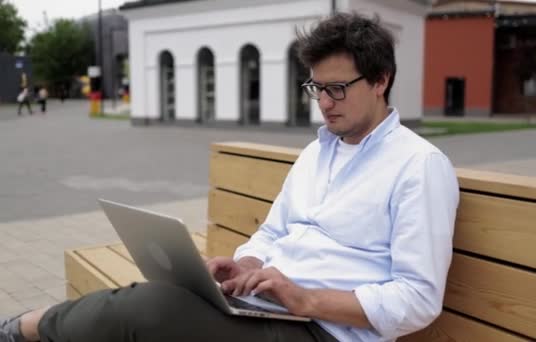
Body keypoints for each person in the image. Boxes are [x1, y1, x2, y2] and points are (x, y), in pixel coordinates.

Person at [0, 13, 459, 342]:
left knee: (150, 309)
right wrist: (249, 264)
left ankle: (21, 329)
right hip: (268, 308)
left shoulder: (418, 166)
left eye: (337, 88)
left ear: (380, 80)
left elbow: (418, 299)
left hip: (324, 329)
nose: (324, 101)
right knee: (164, 293)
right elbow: (274, 233)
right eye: (316, 88)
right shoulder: (317, 155)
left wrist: (306, 299)